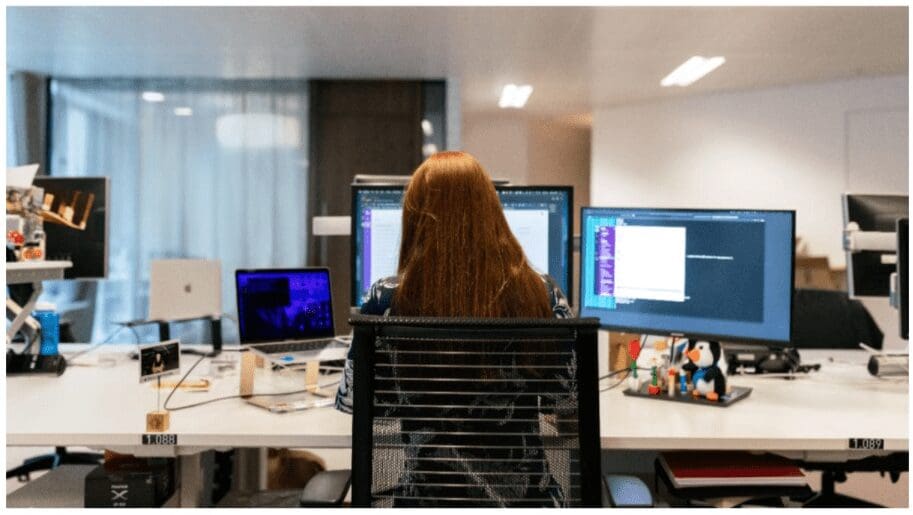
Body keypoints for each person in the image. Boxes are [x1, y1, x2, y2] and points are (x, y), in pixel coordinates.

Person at [335, 151, 575, 506]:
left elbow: (357, 401)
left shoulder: (386, 299)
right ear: (491, 212)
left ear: (415, 219)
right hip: (527, 503)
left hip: (425, 503)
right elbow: (568, 400)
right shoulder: (542, 292)